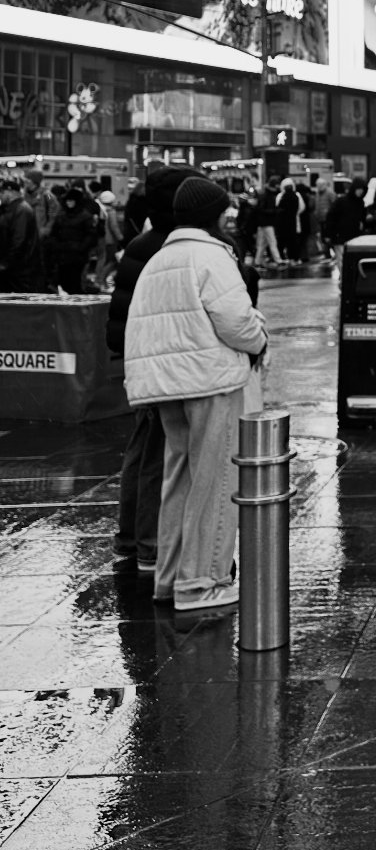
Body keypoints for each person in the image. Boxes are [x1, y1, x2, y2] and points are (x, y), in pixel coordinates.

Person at [124, 176, 267, 614]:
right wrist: (260, 341)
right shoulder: (210, 256)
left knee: (180, 480)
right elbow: (236, 322)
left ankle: (169, 579)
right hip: (211, 381)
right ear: (215, 215)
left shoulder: (159, 260)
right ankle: (202, 583)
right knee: (217, 481)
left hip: (168, 386)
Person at [109, 166, 204, 578]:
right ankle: (149, 545)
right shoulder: (179, 249)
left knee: (142, 452)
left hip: (142, 364)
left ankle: (131, 540)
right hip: (168, 367)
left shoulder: (140, 244)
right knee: (159, 458)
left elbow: (118, 319)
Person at [46, 181, 101, 294]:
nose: (69, 203)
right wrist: (56, 246)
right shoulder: (61, 216)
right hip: (63, 256)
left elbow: (91, 235)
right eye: (67, 200)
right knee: (65, 282)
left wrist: (81, 247)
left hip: (77, 257)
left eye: (71, 200)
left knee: (75, 283)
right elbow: (54, 234)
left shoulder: (85, 216)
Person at [0, 177, 43, 292]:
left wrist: (5, 263)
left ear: (11, 192)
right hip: (12, 268)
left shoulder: (22, 210)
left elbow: (19, 240)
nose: (0, 195)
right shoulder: (7, 209)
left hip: (21, 270)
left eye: (2, 192)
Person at [324, 175, 367, 274]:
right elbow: (331, 217)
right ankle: (345, 281)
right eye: (359, 189)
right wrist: (328, 233)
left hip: (351, 236)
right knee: (343, 260)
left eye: (362, 190)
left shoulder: (359, 203)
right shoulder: (343, 201)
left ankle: (346, 281)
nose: (360, 192)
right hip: (342, 236)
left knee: (346, 261)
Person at [94, 190, 124, 290]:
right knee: (112, 261)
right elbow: (114, 226)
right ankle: (101, 280)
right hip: (110, 240)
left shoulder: (100, 209)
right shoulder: (111, 212)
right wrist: (120, 238)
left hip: (102, 239)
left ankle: (100, 280)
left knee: (103, 260)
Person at [275, 176, 304, 265]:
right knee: (293, 241)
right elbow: (302, 207)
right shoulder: (296, 195)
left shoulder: (280, 196)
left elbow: (277, 207)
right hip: (294, 222)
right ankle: (294, 257)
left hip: (282, 223)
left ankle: (283, 257)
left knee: (282, 241)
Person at [254, 177, 282, 268]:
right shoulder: (268, 195)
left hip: (262, 222)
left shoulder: (264, 194)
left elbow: (259, 209)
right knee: (272, 242)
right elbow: (262, 209)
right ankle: (278, 260)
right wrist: (274, 211)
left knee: (262, 244)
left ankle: (257, 261)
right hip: (267, 222)